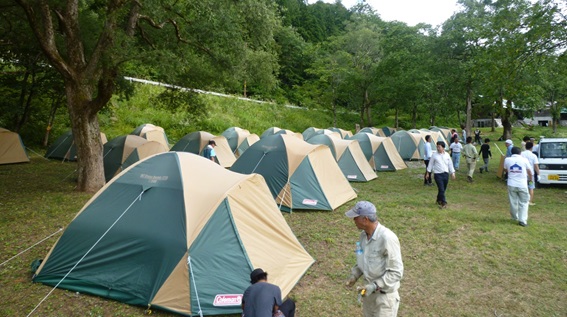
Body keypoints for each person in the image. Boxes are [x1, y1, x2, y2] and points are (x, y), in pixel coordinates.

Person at [345, 201, 403, 317]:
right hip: (368, 297)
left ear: (365, 219)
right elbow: (362, 259)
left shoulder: (387, 238)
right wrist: (354, 275)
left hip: (384, 299)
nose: (354, 220)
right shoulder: (363, 236)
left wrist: (375, 285)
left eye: (356, 217)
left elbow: (396, 272)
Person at [503, 147, 532, 227]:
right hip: (522, 184)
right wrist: (531, 181)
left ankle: (514, 217)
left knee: (513, 201)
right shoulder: (524, 160)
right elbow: (529, 171)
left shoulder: (507, 160)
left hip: (511, 183)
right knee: (524, 202)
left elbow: (505, 169)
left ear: (512, 152)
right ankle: (522, 220)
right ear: (520, 153)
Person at [426, 141, 456, 209]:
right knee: (441, 189)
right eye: (437, 147)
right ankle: (444, 203)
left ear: (443, 147)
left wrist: (452, 173)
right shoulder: (434, 155)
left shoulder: (447, 155)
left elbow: (450, 164)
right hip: (438, 174)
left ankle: (438, 200)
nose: (438, 148)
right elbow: (430, 164)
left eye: (439, 147)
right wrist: (428, 173)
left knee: (443, 189)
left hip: (445, 174)